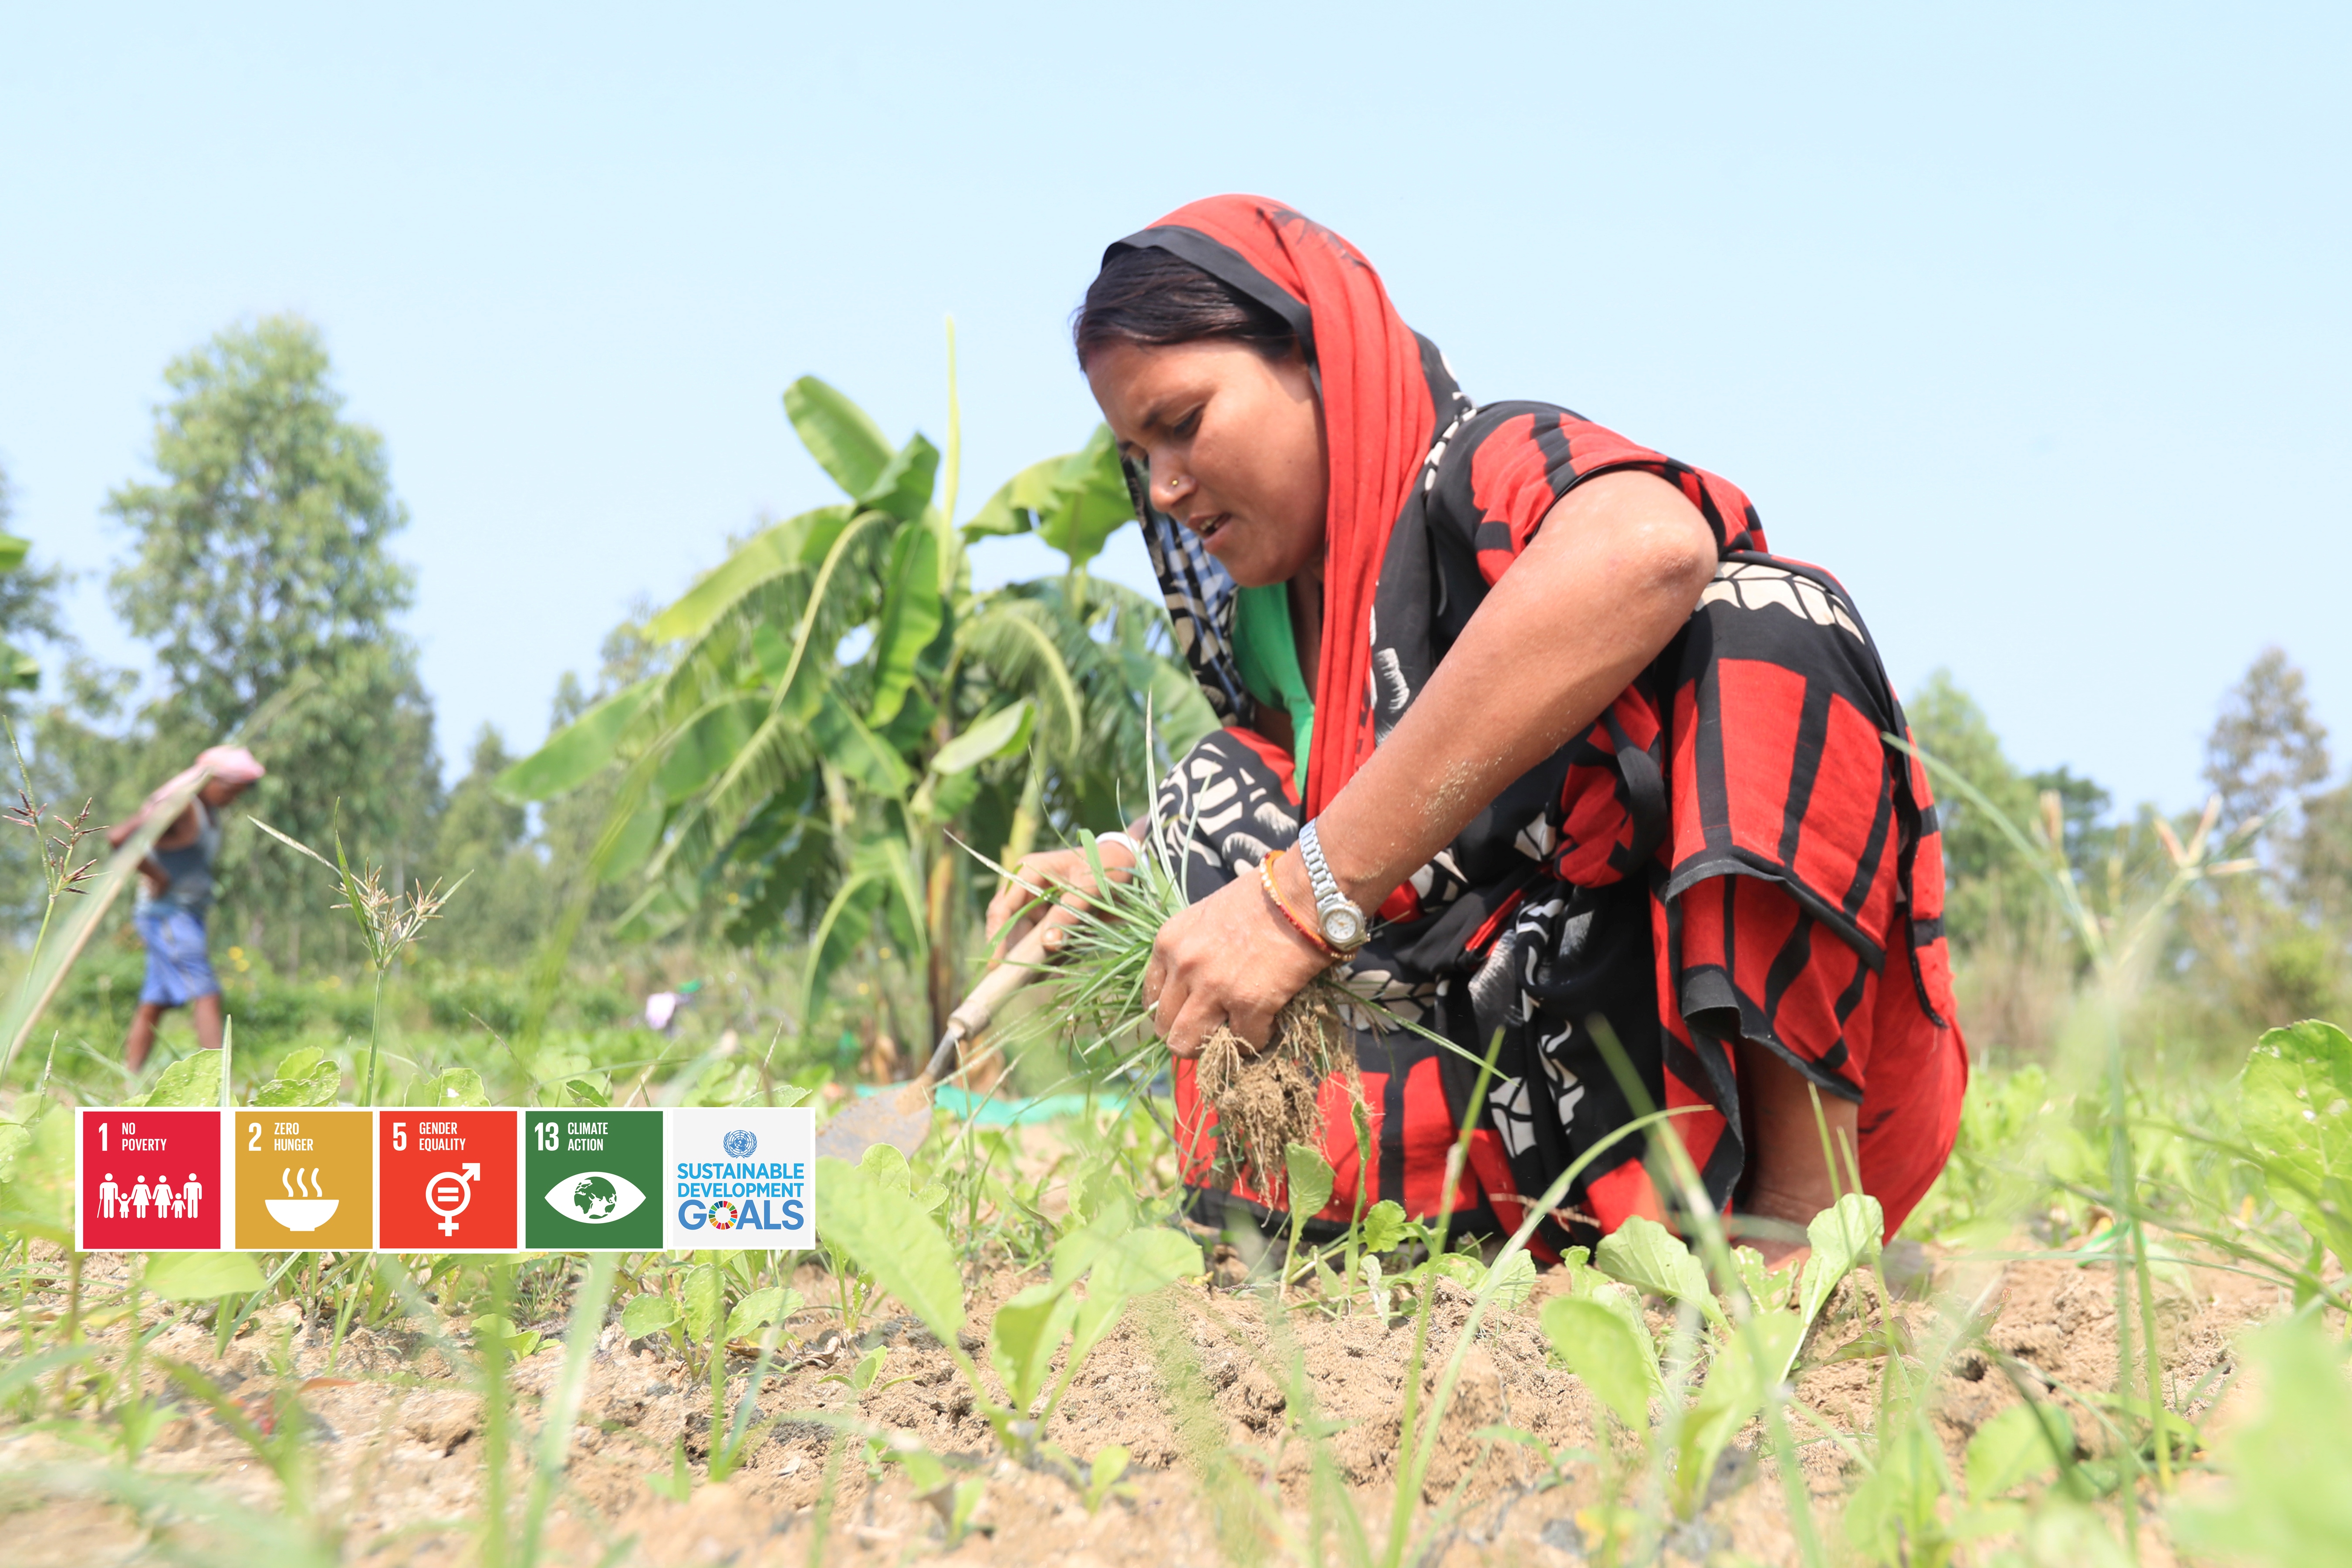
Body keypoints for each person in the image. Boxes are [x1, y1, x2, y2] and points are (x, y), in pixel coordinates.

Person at [985, 196, 1967, 1264]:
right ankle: (1314, 1221)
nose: (1164, 487)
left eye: (1182, 423)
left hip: (1642, 1025)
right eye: (1137, 451)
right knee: (1213, 785)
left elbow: (1646, 546)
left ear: (1320, 363)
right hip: (1485, 1111)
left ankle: (1798, 1234)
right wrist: (1125, 864)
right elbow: (1295, 796)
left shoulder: (1481, 463)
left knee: (1763, 621)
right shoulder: (1268, 619)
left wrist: (1299, 901)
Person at [108, 746, 267, 1071]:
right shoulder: (181, 807)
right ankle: (220, 1086)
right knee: (206, 991)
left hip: (187, 915)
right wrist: (156, 876)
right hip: (168, 915)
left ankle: (128, 1083)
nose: (232, 799)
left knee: (155, 1003)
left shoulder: (207, 810)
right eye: (230, 791)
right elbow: (119, 837)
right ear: (211, 781)